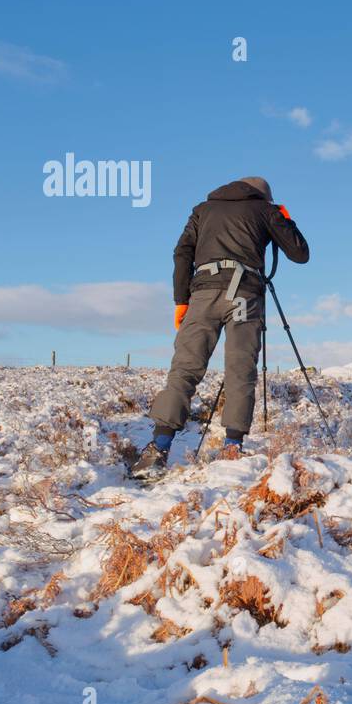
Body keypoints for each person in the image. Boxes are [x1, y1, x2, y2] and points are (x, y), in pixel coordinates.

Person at [131, 176, 309, 479]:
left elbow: (182, 253)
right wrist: (285, 219)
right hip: (244, 296)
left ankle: (158, 448)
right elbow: (300, 254)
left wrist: (181, 300)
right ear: (263, 196)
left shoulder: (202, 210)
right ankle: (232, 447)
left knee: (185, 368)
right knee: (240, 369)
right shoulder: (266, 211)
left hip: (202, 294)